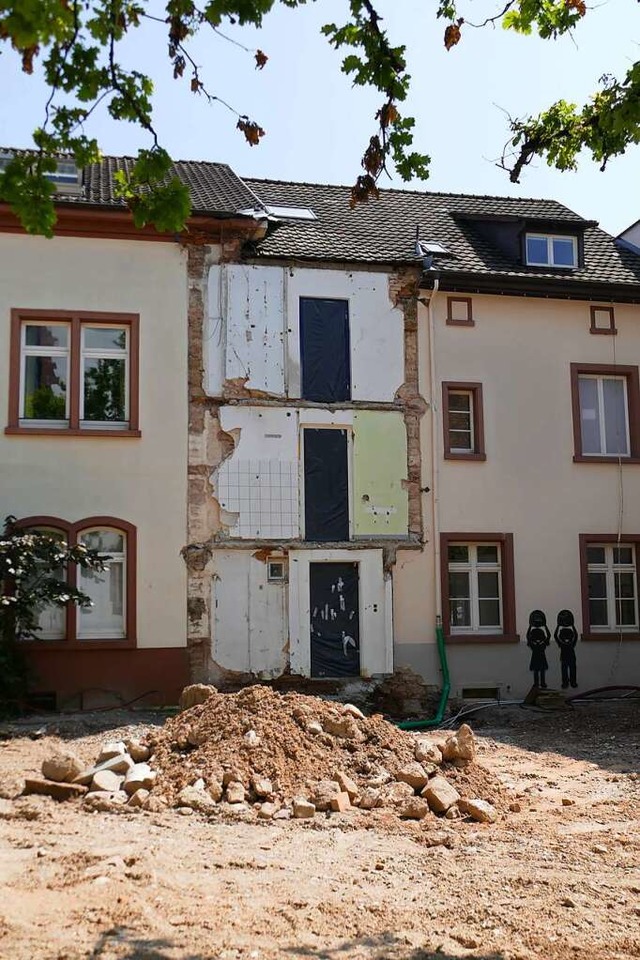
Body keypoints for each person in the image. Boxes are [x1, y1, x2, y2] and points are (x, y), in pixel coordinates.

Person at [555, 609, 578, 689]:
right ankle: (569, 682)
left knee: (570, 670)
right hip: (567, 658)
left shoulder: (564, 644)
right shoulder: (569, 643)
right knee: (567, 671)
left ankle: (571, 682)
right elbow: (576, 635)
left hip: (568, 658)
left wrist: (558, 625)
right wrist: (572, 625)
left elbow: (556, 636)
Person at [527, 610, 550, 689]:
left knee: (540, 670)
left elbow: (548, 636)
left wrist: (545, 626)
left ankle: (541, 683)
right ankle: (537, 684)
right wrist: (530, 625)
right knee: (537, 671)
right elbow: (528, 637)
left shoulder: (540, 644)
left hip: (539, 656)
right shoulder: (537, 644)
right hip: (538, 656)